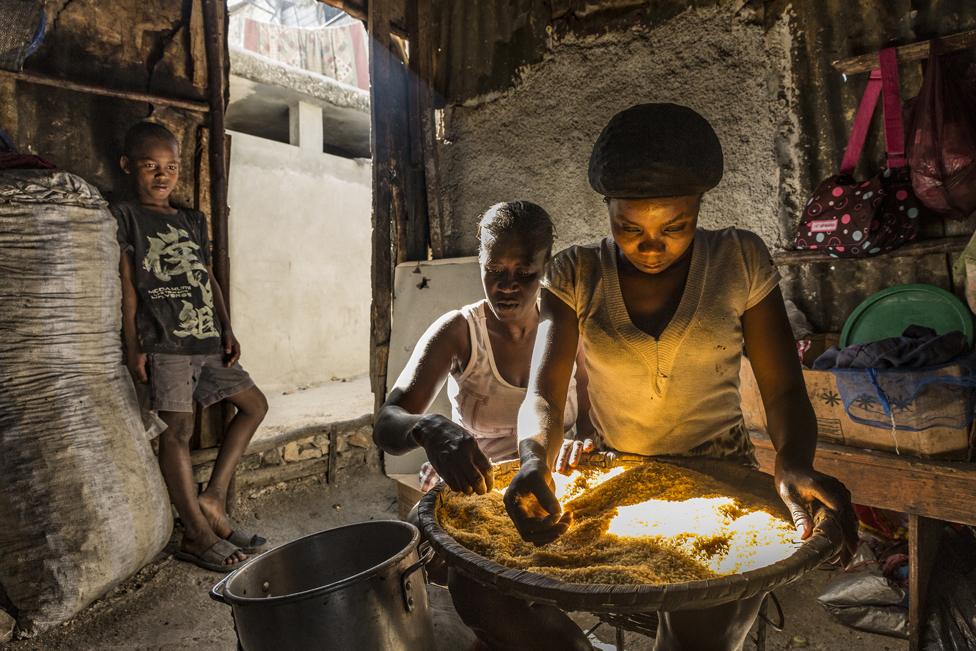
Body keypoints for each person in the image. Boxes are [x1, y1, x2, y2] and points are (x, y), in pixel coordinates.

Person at [492, 103, 860, 651]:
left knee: (698, 636)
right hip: (620, 476)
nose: (651, 246)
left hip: (724, 476)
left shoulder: (739, 259)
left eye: (676, 227)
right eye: (628, 228)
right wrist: (532, 461)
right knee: (506, 602)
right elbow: (544, 393)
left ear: (699, 210)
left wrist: (793, 460)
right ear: (607, 212)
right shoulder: (575, 273)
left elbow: (782, 387)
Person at [112, 121, 268, 572]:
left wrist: (226, 326)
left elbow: (208, 278)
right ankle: (196, 536)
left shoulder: (191, 220)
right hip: (164, 340)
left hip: (205, 336)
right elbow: (127, 286)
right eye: (149, 166)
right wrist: (134, 345)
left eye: (171, 167)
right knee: (177, 433)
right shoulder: (125, 216)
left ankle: (213, 500)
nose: (162, 176)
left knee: (254, 406)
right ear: (128, 167)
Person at [374, 200, 589, 496]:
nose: (507, 286)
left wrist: (578, 448)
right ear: (480, 261)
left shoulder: (567, 329)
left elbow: (591, 431)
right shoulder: (460, 332)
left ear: (547, 265)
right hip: (476, 488)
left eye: (524, 272)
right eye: (494, 269)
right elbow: (386, 424)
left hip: (552, 483)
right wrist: (427, 428)